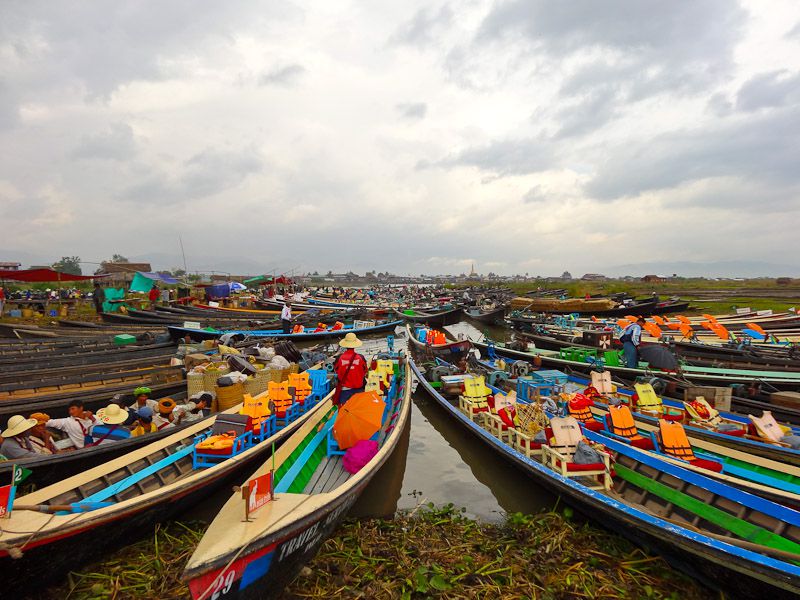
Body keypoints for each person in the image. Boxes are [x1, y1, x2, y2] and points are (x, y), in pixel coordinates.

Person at [334, 332, 368, 405]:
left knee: (344, 409)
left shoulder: (339, 358)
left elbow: (336, 370)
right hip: (359, 388)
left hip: (345, 389)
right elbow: (365, 371)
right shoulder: (361, 357)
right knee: (358, 407)